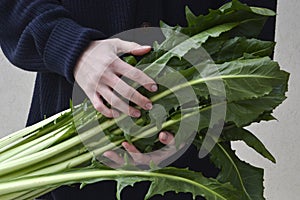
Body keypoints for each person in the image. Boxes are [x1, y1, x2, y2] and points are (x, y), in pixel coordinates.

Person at [0, 0, 277, 199]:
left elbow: (253, 48)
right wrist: (74, 49)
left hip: (183, 172)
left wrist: (197, 123)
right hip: (60, 158)